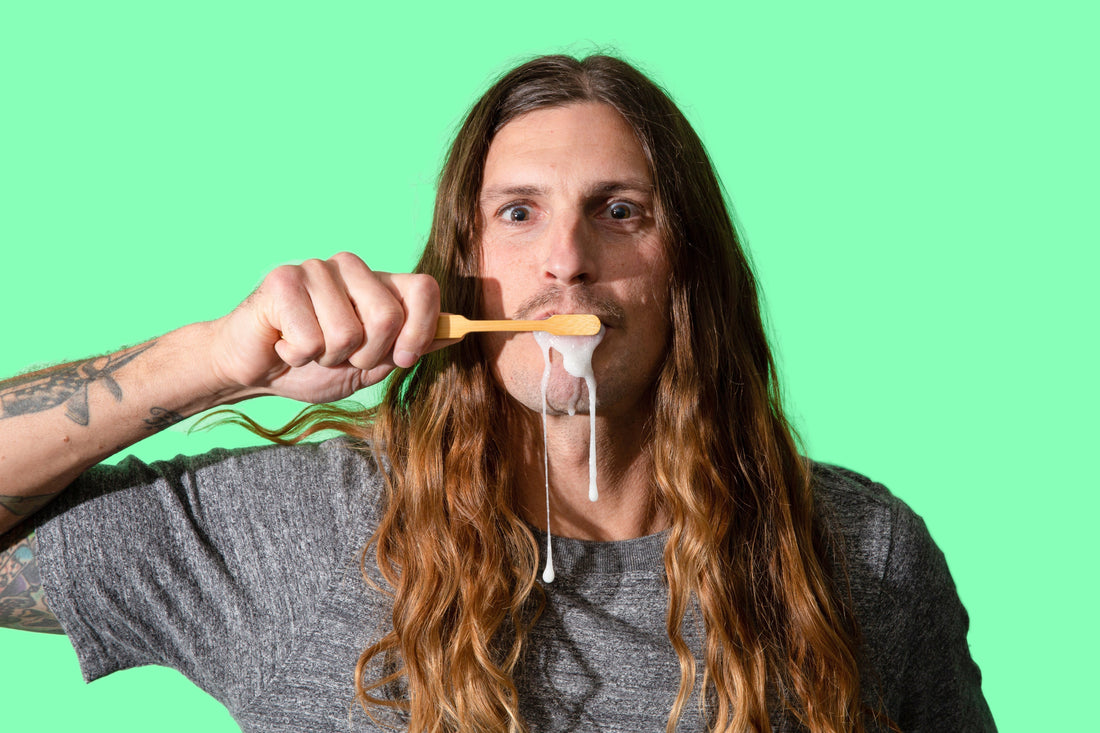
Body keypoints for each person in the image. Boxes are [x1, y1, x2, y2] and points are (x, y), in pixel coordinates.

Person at [0, 54, 995, 732]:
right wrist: (214, 358)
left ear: (683, 269)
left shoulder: (861, 553)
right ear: (462, 263)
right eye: (517, 212)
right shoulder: (295, 531)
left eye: (619, 211)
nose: (564, 259)